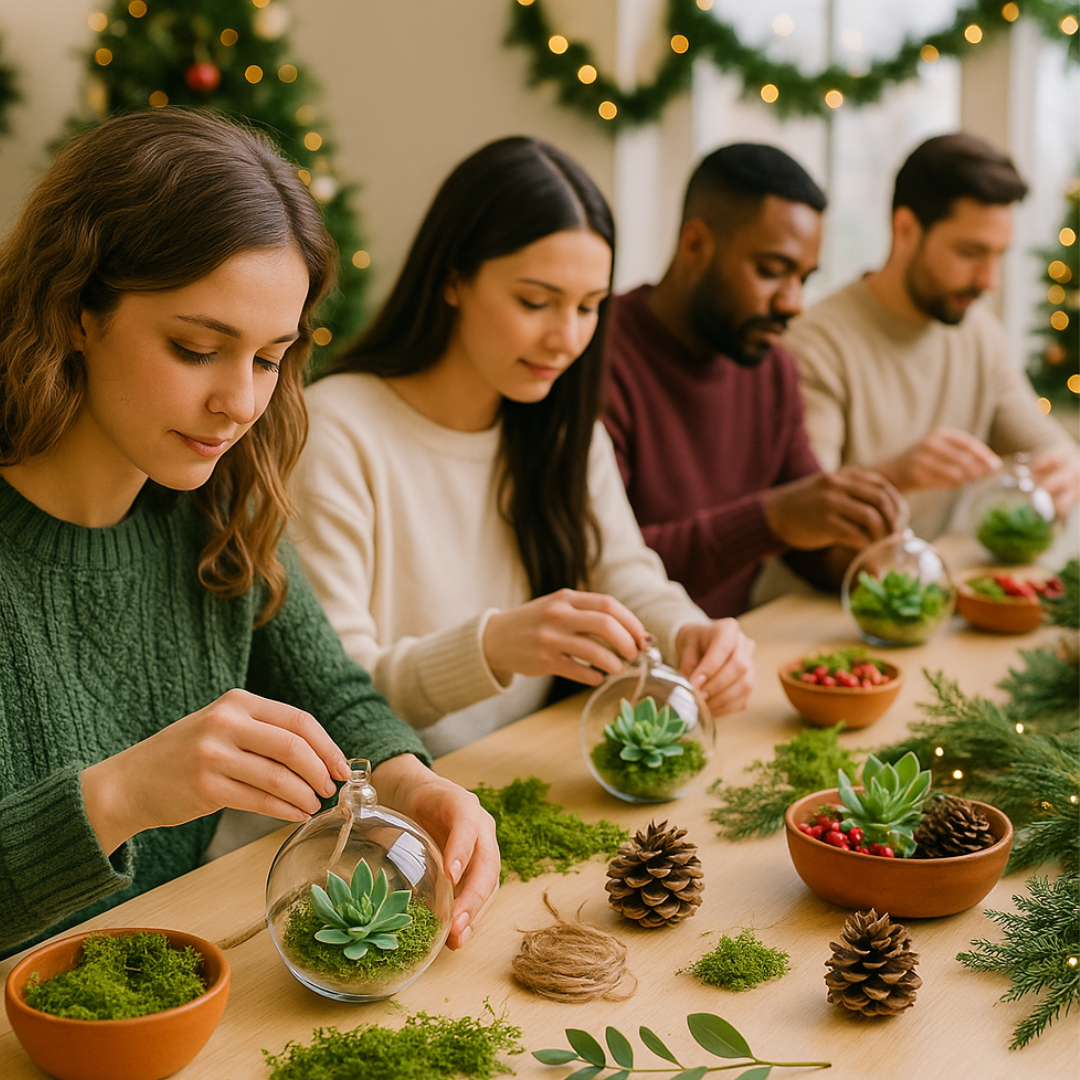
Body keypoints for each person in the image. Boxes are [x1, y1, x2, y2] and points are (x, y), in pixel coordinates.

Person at [0, 110, 498, 961]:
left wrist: (411, 784)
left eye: (268, 359)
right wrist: (118, 794)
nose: (240, 403)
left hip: (166, 989)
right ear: (77, 308)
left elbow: (333, 695)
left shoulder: (215, 506)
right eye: (197, 348)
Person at [290, 136, 755, 758]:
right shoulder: (337, 430)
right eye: (535, 302)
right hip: (365, 812)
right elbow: (329, 691)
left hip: (504, 777)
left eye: (589, 307)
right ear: (453, 278)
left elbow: (622, 571)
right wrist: (491, 647)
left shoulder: (562, 429)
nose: (567, 338)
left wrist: (688, 631)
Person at [603, 143, 903, 619]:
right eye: (771, 271)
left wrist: (865, 554)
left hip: (724, 664)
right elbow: (603, 569)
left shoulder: (773, 369)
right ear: (695, 245)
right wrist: (771, 519)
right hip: (613, 678)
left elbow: (808, 539)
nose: (793, 303)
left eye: (803, 278)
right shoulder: (598, 355)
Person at [785, 132, 1078, 541]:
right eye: (970, 253)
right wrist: (896, 474)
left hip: (920, 586)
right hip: (817, 596)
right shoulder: (815, 345)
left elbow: (1045, 445)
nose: (988, 280)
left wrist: (1065, 463)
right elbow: (802, 513)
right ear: (905, 229)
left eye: (998, 255)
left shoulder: (979, 335)